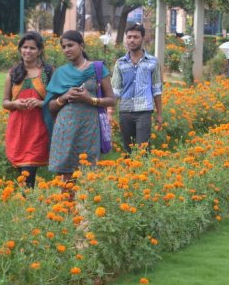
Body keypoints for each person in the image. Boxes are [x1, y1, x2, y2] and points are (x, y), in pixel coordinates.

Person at [43, 30, 115, 184]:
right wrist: (64, 97)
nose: (67, 49)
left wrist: (90, 99)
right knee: (65, 173)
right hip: (65, 128)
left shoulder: (97, 68)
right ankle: (66, 207)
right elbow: (50, 106)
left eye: (71, 45)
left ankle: (84, 207)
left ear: (81, 45)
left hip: (89, 127)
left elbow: (111, 100)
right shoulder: (60, 73)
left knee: (88, 172)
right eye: (63, 46)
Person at [2, 31, 53, 188]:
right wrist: (15, 104)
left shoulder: (48, 72)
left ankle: (28, 205)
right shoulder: (13, 73)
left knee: (28, 172)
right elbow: (5, 102)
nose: (27, 51)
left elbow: (57, 100)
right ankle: (28, 204)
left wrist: (40, 103)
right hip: (18, 129)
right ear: (20, 49)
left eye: (32, 48)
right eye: (24, 47)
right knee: (22, 176)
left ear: (39, 51)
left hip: (39, 128)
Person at [111, 23, 163, 153]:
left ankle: (143, 172)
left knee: (142, 149)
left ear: (143, 38)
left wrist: (159, 114)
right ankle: (130, 173)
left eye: (135, 37)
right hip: (125, 111)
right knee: (128, 149)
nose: (132, 40)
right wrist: (110, 113)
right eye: (129, 37)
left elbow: (157, 89)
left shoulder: (152, 62)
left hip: (144, 111)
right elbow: (116, 90)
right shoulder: (120, 63)